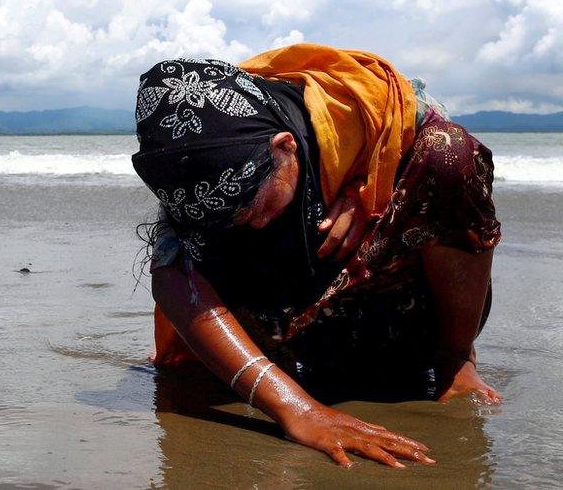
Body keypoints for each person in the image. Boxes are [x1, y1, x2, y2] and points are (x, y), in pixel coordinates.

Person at [132, 46, 501, 469]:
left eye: (252, 208)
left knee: (448, 151)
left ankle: (455, 359)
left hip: (394, 311)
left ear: (285, 146)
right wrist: (297, 409)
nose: (248, 225)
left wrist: (367, 188)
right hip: (286, 328)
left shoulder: (375, 107)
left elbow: (443, 172)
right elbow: (173, 277)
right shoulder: (196, 164)